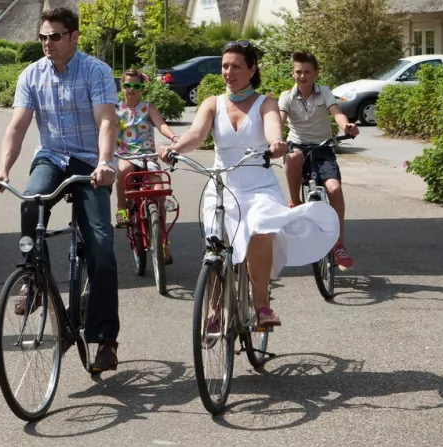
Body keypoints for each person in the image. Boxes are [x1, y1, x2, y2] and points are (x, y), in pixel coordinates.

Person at [161, 41, 338, 330]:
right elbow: (195, 134)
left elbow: (271, 127)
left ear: (252, 69)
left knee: (260, 230)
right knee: (218, 246)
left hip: (259, 187)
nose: (228, 72)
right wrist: (176, 148)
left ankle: (262, 306)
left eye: (236, 66)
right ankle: (215, 309)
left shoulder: (265, 103)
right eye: (225, 66)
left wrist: (275, 143)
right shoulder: (212, 103)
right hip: (222, 187)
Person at [0, 7, 122, 373]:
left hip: (92, 161)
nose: (48, 43)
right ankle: (32, 278)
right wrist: (3, 170)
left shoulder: (96, 71)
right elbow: (17, 127)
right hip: (52, 157)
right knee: (31, 202)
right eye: (43, 37)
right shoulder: (31, 74)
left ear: (74, 37)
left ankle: (105, 339)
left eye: (55, 36)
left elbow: (107, 119)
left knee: (100, 246)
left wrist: (105, 162)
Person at [278, 50, 359, 270]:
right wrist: (275, 138)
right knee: (293, 157)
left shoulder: (324, 93)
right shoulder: (286, 96)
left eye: (307, 72)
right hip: (298, 147)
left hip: (322, 148)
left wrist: (346, 126)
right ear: (292, 74)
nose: (302, 76)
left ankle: (339, 245)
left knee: (334, 189)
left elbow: (336, 113)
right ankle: (295, 202)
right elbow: (280, 119)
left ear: (315, 73)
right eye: (298, 72)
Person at [115, 68, 179, 228]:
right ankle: (121, 208)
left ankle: (162, 239)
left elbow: (161, 125)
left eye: (136, 87)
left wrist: (174, 138)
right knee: (124, 170)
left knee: (159, 190)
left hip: (147, 157)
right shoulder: (116, 109)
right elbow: (106, 130)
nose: (131, 89)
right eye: (128, 85)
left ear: (142, 88)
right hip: (126, 155)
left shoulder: (148, 107)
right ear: (122, 86)